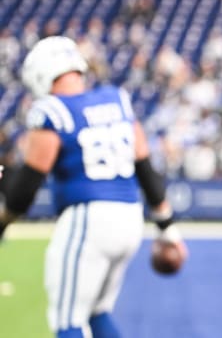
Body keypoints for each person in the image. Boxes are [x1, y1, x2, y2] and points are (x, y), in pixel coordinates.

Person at [0, 36, 186, 338]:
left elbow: (27, 185)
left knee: (68, 321)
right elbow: (144, 166)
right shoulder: (116, 99)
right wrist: (167, 228)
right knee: (97, 313)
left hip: (89, 219)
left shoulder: (52, 110)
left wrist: (3, 222)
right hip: (129, 217)